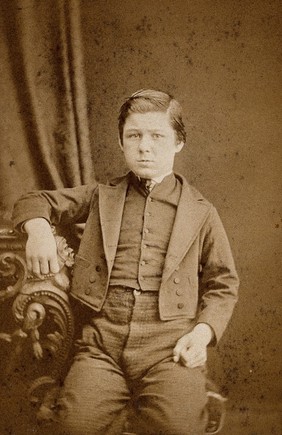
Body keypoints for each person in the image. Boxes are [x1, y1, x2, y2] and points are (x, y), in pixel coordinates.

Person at [12, 89, 239, 435]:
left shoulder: (201, 212)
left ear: (178, 142)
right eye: (134, 136)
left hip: (168, 347)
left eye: (157, 136)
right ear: (121, 142)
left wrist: (203, 331)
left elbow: (223, 284)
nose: (144, 146)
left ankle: (172, 399)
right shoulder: (102, 196)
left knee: (178, 428)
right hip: (103, 344)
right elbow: (35, 199)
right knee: (73, 427)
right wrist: (39, 230)